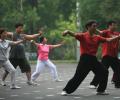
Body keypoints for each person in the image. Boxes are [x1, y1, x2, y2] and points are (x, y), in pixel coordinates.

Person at [61, 20, 120, 96]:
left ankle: (101, 90)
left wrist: (118, 37)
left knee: (104, 72)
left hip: (93, 59)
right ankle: (65, 90)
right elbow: (74, 34)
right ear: (88, 27)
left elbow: (108, 40)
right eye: (94, 26)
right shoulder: (83, 36)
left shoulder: (97, 37)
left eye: (96, 26)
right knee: (78, 77)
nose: (95, 28)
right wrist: (67, 31)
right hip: (85, 59)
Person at [89, 21, 120, 89]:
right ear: (109, 26)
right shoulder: (106, 32)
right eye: (114, 25)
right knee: (102, 70)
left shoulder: (117, 33)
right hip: (107, 55)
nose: (115, 27)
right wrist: (93, 27)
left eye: (116, 25)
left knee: (118, 69)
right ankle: (93, 84)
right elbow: (99, 32)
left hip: (114, 56)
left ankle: (118, 84)